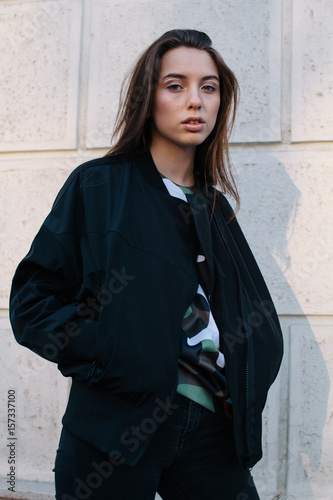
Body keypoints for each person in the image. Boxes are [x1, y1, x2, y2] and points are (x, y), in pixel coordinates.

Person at [9, 29, 283, 500]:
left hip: (212, 430)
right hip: (114, 431)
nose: (194, 101)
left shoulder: (215, 209)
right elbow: (33, 304)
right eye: (175, 85)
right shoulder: (98, 187)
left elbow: (241, 313)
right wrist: (114, 352)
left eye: (209, 87)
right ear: (148, 97)